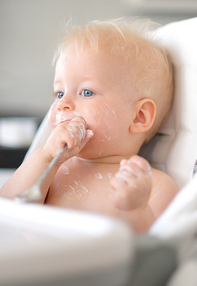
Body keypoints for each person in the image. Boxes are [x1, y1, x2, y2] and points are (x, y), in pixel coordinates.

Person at [0, 18, 178, 233]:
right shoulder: (50, 170)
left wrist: (135, 209)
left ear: (139, 116)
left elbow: (149, 253)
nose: (62, 104)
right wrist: (46, 156)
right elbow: (8, 213)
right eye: (59, 93)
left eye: (86, 92)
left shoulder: (150, 186)